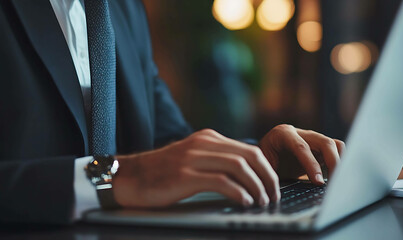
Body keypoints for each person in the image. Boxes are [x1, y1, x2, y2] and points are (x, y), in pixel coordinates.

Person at [0, 0, 344, 224]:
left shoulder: (121, 8)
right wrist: (115, 177)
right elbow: (140, 170)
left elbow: (169, 144)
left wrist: (259, 159)